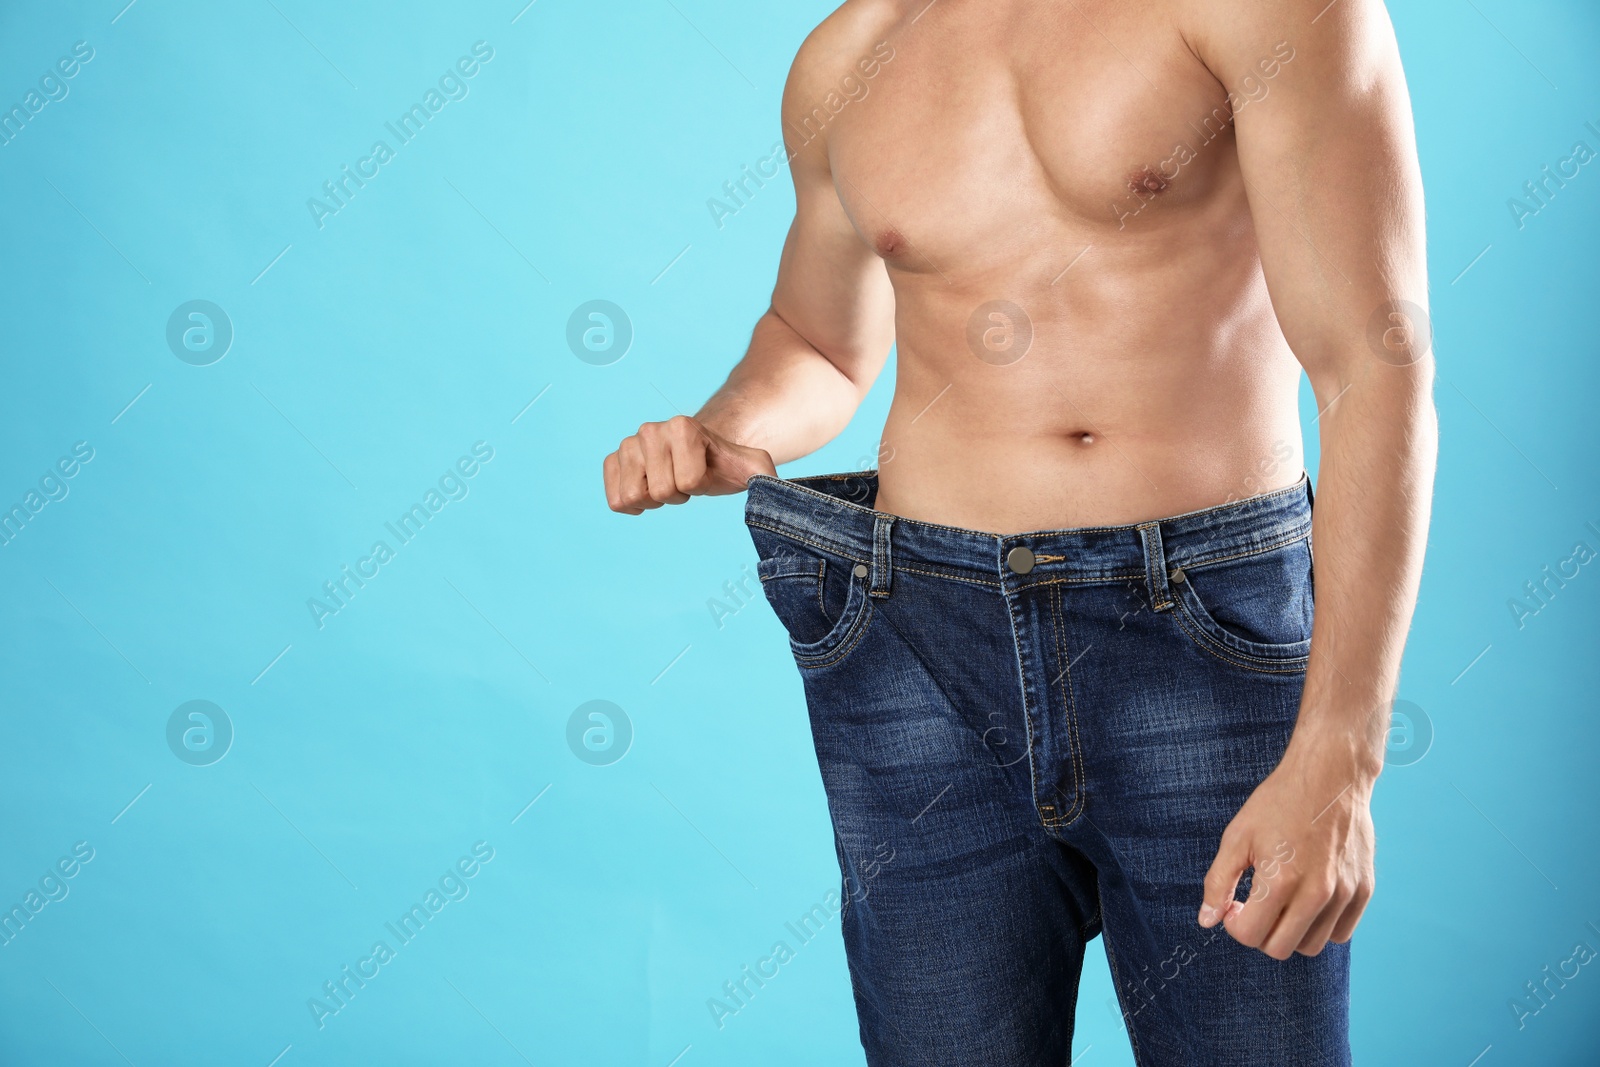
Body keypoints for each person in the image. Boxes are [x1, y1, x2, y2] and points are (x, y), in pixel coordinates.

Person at [603, 0, 1434, 1062]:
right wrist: (725, 429)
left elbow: (1375, 364)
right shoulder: (848, 56)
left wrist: (1339, 758)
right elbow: (817, 340)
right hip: (916, 642)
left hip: (1195, 634)